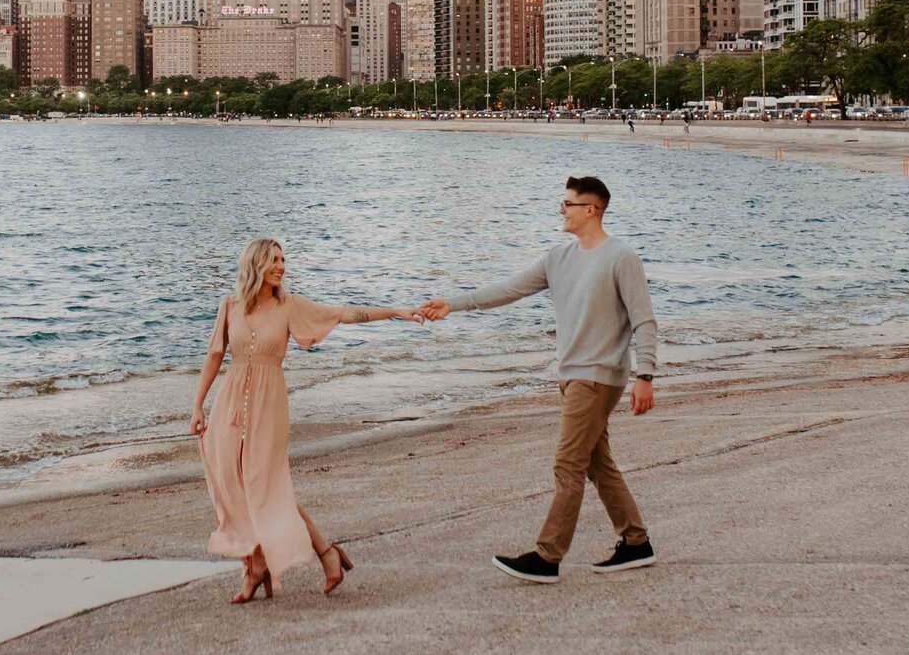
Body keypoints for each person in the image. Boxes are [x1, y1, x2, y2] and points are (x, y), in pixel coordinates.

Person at [414, 176, 658, 584]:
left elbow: (644, 321)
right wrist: (452, 304)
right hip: (571, 374)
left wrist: (645, 375)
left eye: (567, 204)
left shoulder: (621, 257)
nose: (561, 210)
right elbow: (508, 290)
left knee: (568, 465)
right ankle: (636, 543)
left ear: (591, 210)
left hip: (598, 377)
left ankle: (548, 556)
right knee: (598, 465)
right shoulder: (558, 258)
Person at [191, 240, 413, 602]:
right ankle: (257, 566)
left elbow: (342, 313)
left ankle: (317, 555)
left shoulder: (288, 306)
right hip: (229, 405)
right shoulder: (229, 306)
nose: (281, 266)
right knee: (234, 483)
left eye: (282, 259)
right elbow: (215, 354)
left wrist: (396, 312)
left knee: (267, 486)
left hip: (269, 406)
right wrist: (197, 406)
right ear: (256, 264)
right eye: (273, 260)